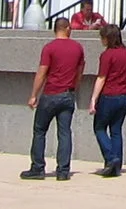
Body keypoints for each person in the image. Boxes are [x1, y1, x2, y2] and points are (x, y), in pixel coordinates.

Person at [21, 15, 86, 181]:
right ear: (67, 29)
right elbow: (80, 72)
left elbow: (42, 72)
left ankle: (38, 168)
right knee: (64, 133)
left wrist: (33, 95)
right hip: (68, 94)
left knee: (40, 130)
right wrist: (74, 88)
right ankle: (63, 170)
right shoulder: (78, 48)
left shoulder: (49, 48)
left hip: (51, 94)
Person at [91, 23, 126, 178]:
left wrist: (93, 99)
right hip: (124, 95)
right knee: (116, 130)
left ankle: (111, 158)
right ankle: (117, 164)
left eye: (102, 37)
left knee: (99, 128)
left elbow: (101, 78)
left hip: (109, 95)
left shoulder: (107, 55)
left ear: (108, 39)